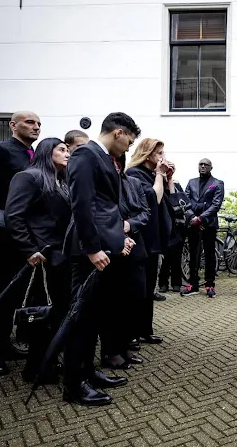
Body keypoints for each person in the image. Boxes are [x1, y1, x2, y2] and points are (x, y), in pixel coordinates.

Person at [62, 112, 140, 406]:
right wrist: (92, 248)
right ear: (119, 132)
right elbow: (82, 204)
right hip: (88, 253)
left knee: (94, 316)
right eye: (129, 142)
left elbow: (106, 208)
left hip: (104, 249)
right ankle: (74, 385)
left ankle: (88, 371)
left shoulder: (105, 157)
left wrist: (119, 239)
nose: (129, 148)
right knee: (80, 318)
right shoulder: (85, 154)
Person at [0, 111, 40, 375]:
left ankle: (5, 344)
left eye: (38, 124)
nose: (36, 127)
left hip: (25, 236)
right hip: (2, 234)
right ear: (13, 125)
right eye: (30, 122)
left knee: (14, 294)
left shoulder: (32, 156)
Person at [4, 138, 72, 383]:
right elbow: (14, 215)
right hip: (42, 258)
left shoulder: (61, 181)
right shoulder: (29, 177)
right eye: (62, 150)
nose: (67, 154)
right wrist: (29, 249)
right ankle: (35, 369)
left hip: (60, 256)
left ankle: (48, 362)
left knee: (56, 313)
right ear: (47, 152)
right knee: (42, 314)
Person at [100, 153, 150, 370]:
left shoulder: (134, 183)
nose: (116, 166)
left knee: (134, 298)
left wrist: (129, 225)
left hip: (134, 248)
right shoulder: (101, 183)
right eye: (112, 162)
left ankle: (125, 345)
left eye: (119, 162)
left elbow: (145, 212)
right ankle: (111, 351)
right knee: (111, 303)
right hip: (111, 250)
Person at [126, 139, 179, 343]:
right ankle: (132, 333)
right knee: (138, 289)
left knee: (148, 288)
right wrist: (159, 174)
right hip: (141, 238)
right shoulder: (134, 174)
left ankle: (145, 330)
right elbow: (152, 199)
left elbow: (172, 200)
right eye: (159, 154)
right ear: (147, 155)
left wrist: (169, 178)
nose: (163, 158)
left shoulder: (153, 175)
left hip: (155, 239)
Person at [184, 158, 224, 297]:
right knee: (193, 254)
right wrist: (192, 217)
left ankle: (209, 284)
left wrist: (201, 218)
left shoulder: (217, 183)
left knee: (209, 255)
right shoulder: (191, 182)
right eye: (200, 164)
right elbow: (185, 201)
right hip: (193, 223)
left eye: (205, 165)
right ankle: (193, 284)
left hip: (209, 224)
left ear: (211, 167)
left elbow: (216, 204)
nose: (202, 166)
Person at [158, 178, 192, 294]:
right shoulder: (158, 185)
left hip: (178, 226)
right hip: (165, 226)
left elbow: (182, 203)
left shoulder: (176, 185)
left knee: (177, 255)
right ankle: (163, 283)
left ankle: (176, 283)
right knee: (167, 256)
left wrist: (171, 184)